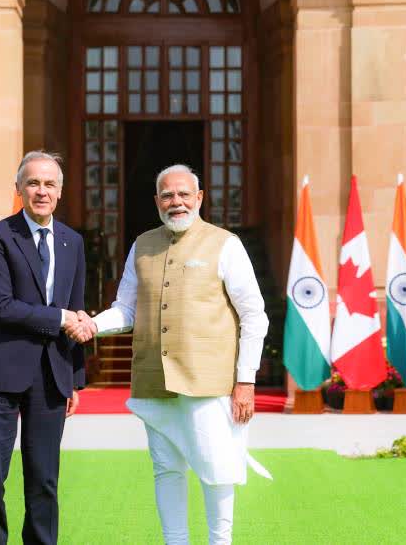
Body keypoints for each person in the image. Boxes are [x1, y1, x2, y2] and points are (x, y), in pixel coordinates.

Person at [91, 164, 270, 545]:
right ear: (157, 201)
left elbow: (254, 314)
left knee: (217, 469)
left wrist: (246, 380)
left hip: (210, 383)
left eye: (184, 194)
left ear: (200, 198)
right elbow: (125, 309)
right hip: (154, 381)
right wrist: (91, 325)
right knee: (166, 469)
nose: (177, 202)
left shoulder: (226, 244)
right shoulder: (142, 245)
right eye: (168, 195)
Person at [0, 150, 95, 545]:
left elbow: (76, 307)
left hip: (52, 374)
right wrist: (60, 319)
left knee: (44, 480)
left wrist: (73, 378)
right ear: (18, 189)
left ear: (61, 192)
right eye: (33, 183)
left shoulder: (73, 241)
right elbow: (0, 306)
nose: (41, 191)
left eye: (49, 184)